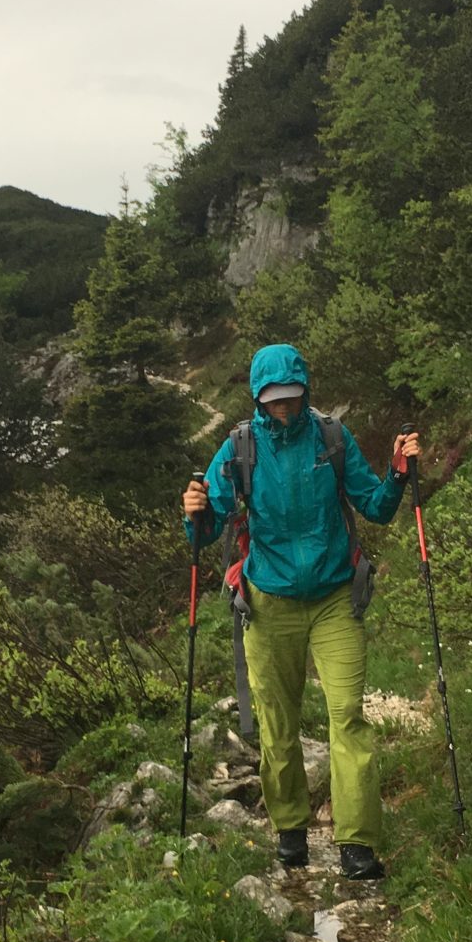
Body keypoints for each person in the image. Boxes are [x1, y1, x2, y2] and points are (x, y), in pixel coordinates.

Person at [182, 343, 419, 880]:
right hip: (269, 605)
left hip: (335, 598)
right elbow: (207, 528)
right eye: (274, 401)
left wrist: (400, 472)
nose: (284, 409)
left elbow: (375, 506)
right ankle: (290, 832)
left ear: (305, 392)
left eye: (291, 398)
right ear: (258, 399)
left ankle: (357, 845)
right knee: (278, 725)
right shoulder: (240, 448)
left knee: (348, 719)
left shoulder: (331, 438)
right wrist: (193, 513)